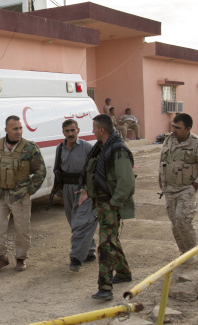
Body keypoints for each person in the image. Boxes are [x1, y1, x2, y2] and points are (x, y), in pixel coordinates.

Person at [76, 114, 135, 301]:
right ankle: (124, 273)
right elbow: (95, 176)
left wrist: (115, 204)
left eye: (94, 128)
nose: (92, 131)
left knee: (106, 243)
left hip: (111, 204)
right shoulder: (101, 148)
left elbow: (126, 182)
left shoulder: (118, 150)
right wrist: (88, 191)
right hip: (101, 203)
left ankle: (105, 287)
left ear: (101, 130)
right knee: (111, 239)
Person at [0, 115, 46, 272]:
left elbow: (41, 172)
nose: (19, 131)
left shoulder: (30, 148)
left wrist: (28, 191)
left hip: (20, 196)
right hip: (0, 195)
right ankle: (1, 258)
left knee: (22, 228)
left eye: (20, 128)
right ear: (6, 129)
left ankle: (21, 258)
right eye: (15, 129)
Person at [158, 113, 198, 262]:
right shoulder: (169, 140)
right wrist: (161, 180)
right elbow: (163, 160)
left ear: (188, 129)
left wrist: (194, 187)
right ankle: (183, 252)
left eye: (178, 127)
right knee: (175, 222)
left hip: (185, 189)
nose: (173, 130)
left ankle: (191, 253)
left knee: (183, 219)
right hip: (169, 189)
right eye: (173, 126)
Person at [53, 119, 98, 272]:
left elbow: (95, 169)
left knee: (81, 223)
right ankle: (89, 251)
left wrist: (89, 188)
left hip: (84, 190)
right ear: (63, 132)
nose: (70, 134)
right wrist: (58, 190)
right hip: (67, 190)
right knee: (74, 222)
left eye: (73, 130)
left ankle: (76, 258)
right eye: (67, 131)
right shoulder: (60, 148)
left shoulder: (87, 147)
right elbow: (57, 170)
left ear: (78, 130)